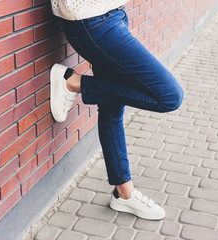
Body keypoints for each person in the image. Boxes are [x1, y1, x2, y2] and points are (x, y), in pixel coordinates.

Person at [49, 0, 183, 220]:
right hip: (92, 22)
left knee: (111, 110)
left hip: (112, 15)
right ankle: (73, 82)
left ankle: (124, 194)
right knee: (169, 96)